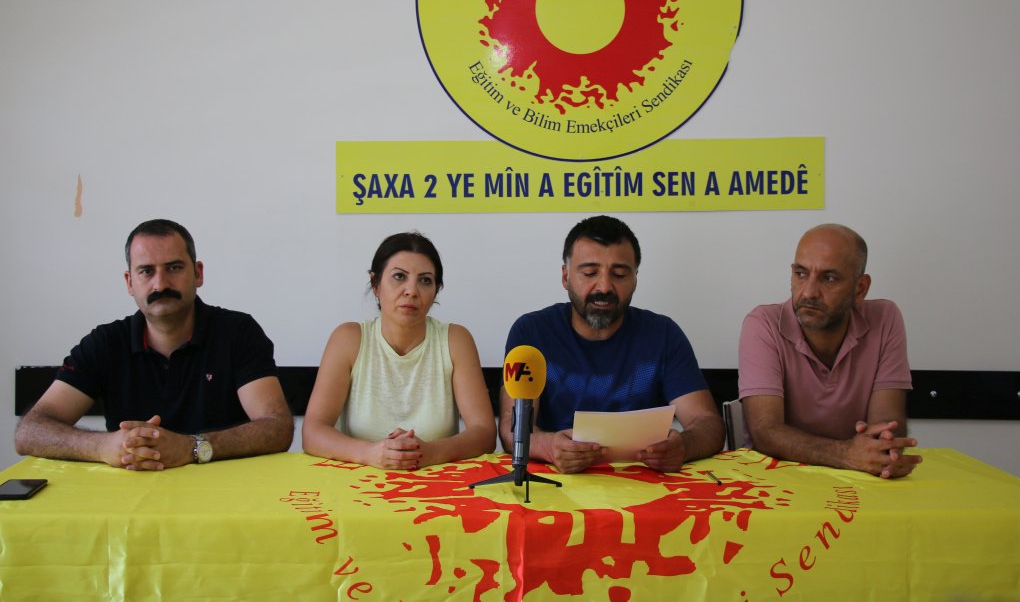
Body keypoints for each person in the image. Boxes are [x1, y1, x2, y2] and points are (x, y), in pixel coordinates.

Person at [15, 219, 293, 470]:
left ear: (198, 273)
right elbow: (30, 432)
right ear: (129, 282)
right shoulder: (105, 343)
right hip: (128, 497)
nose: (160, 284)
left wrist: (191, 448)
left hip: (224, 494)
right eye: (146, 271)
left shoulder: (238, 332)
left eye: (174, 268)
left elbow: (277, 428)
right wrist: (103, 446)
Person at [500, 215, 724, 474]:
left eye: (619, 274)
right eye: (589, 273)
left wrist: (683, 445)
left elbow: (708, 423)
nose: (604, 287)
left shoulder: (663, 335)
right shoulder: (531, 333)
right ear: (565, 277)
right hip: (555, 482)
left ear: (635, 279)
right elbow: (511, 427)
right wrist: (548, 446)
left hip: (644, 484)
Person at [738, 223, 922, 478]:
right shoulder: (763, 324)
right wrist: (845, 455)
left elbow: (886, 424)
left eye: (829, 278)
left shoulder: (885, 318)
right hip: (779, 480)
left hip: (858, 481)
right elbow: (765, 432)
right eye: (801, 274)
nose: (809, 292)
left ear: (860, 289)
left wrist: (884, 450)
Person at [302, 232, 495, 469]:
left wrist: (430, 453)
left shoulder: (456, 340)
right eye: (399, 277)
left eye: (425, 280)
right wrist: (371, 453)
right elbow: (313, 432)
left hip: (438, 484)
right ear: (375, 284)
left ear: (436, 291)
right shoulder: (348, 339)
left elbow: (484, 433)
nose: (411, 290)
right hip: (358, 483)